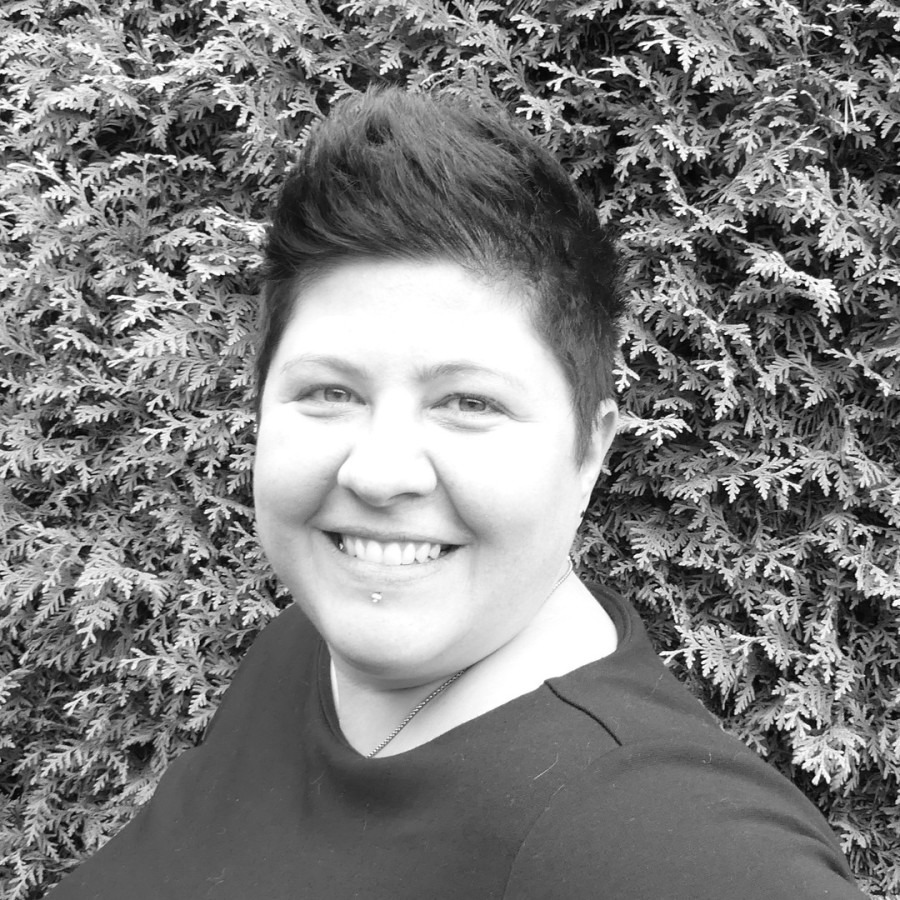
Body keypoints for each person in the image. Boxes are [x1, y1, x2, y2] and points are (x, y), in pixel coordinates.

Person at [47, 88, 867, 899]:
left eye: (469, 403)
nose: (377, 473)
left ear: (590, 449)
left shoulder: (674, 843)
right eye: (330, 392)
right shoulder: (309, 649)